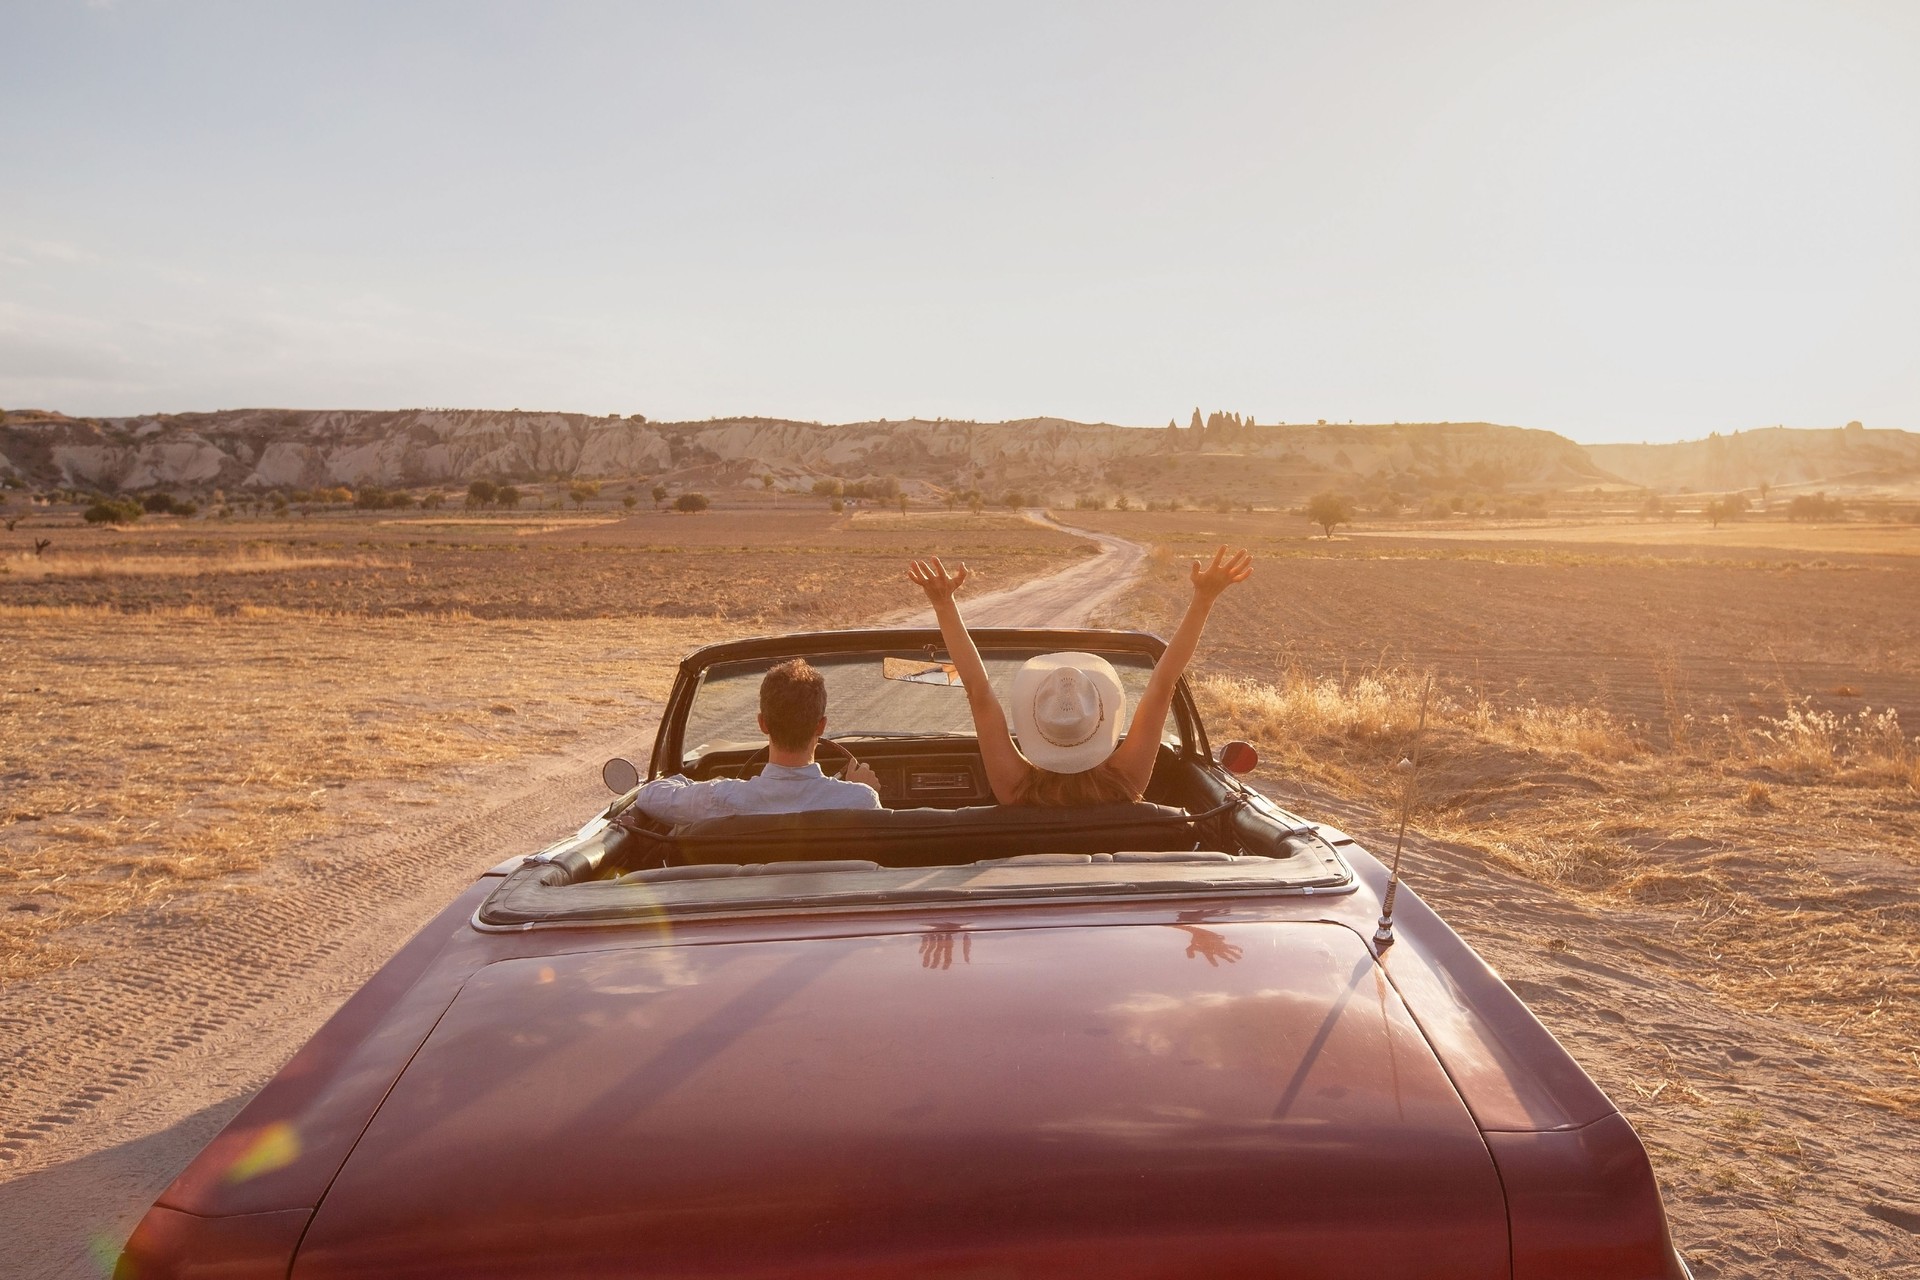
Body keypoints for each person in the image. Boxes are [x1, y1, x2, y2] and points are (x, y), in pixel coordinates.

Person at [907, 545, 1252, 806]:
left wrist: (943, 605)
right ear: (1101, 719)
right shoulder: (1126, 782)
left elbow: (978, 691)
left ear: (1036, 721)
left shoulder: (1015, 788)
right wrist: (1203, 599)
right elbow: (1163, 685)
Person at [626, 657, 882, 823]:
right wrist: (857, 787)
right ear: (821, 726)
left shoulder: (722, 797)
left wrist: (710, 784)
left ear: (762, 724)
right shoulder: (859, 800)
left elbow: (650, 796)